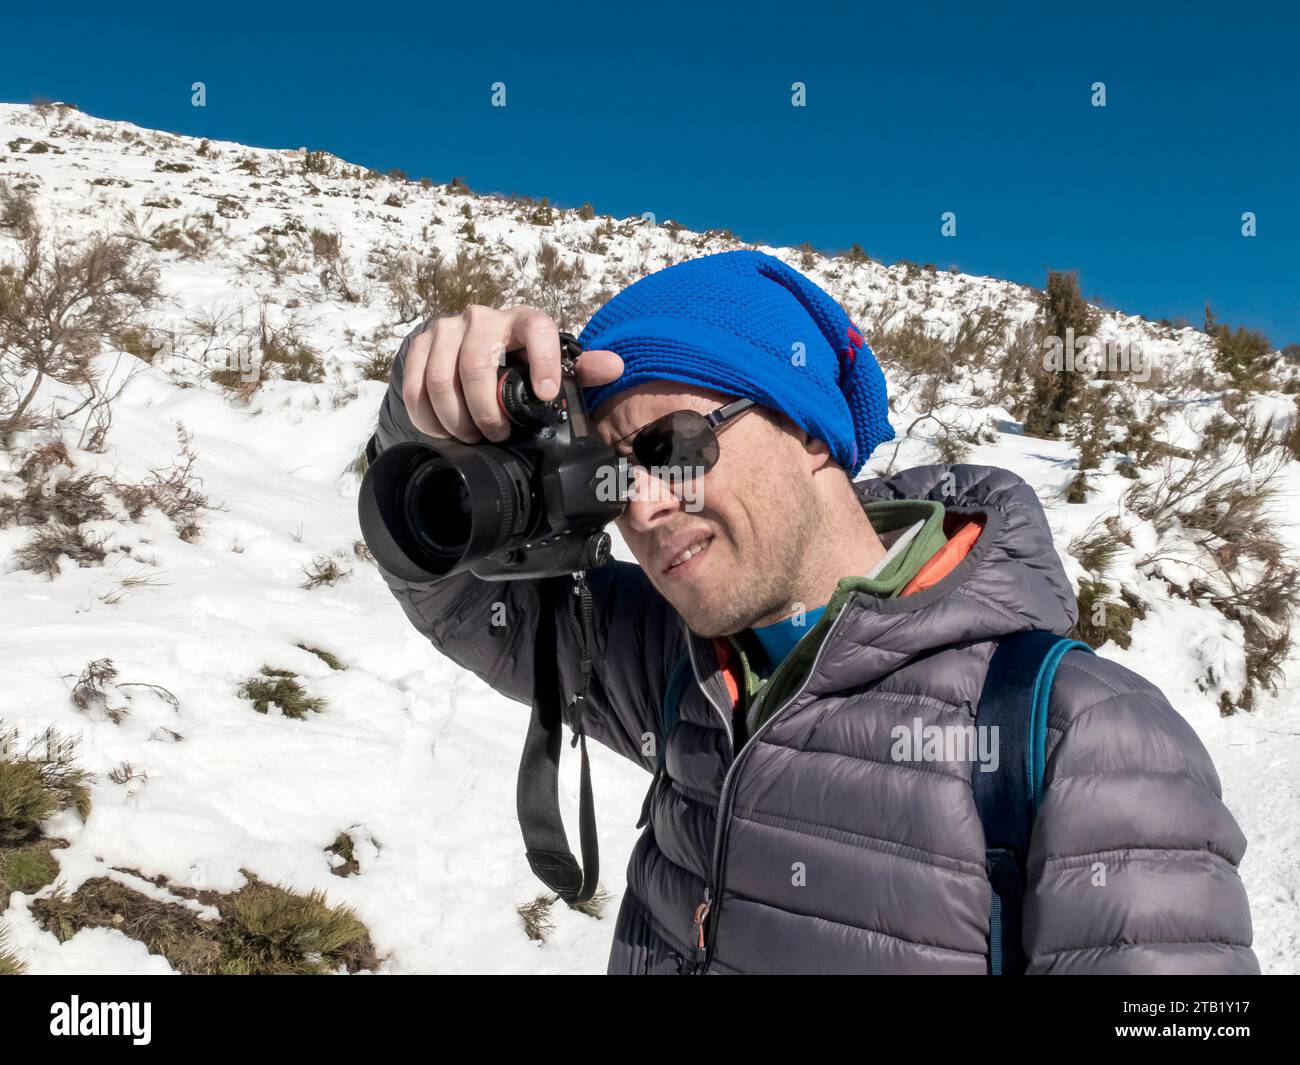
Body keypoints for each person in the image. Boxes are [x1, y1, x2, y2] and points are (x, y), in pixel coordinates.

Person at [366, 249, 1258, 974]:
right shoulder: (679, 664)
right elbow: (453, 593)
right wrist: (421, 417)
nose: (640, 508)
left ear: (814, 434)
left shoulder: (1085, 742)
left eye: (672, 446)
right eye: (611, 478)